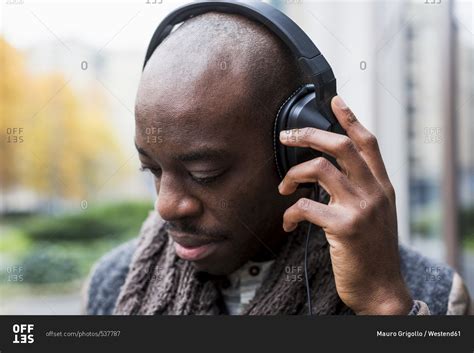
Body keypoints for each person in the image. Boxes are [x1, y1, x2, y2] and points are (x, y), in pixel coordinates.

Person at [82, 11, 471, 315]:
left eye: (205, 174)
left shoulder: (429, 293)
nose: (166, 206)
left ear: (297, 153)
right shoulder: (110, 284)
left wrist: (384, 305)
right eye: (151, 169)